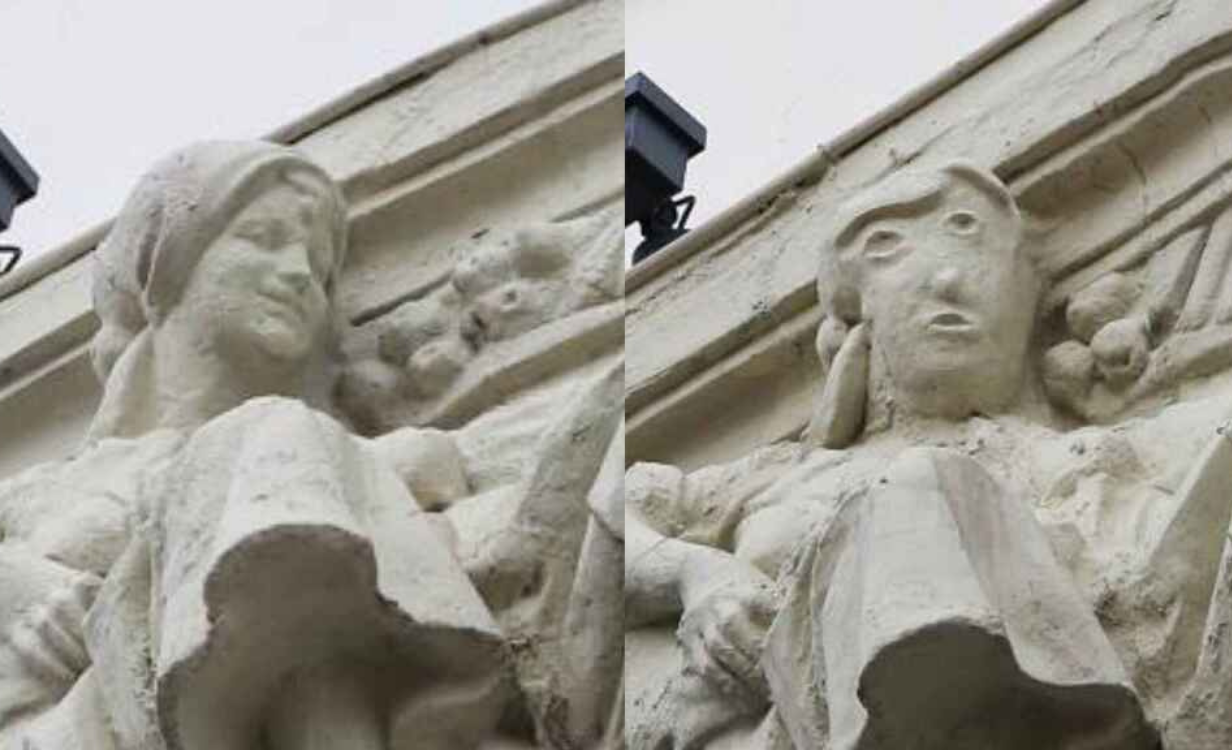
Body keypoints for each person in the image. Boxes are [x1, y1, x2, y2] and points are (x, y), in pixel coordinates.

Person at [625, 163, 1166, 749]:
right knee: (912, 487)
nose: (951, 279)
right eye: (890, 250)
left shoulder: (1079, 461)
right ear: (855, 326)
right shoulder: (783, 475)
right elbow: (596, 525)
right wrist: (695, 573)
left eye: (976, 247)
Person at [0, 141, 509, 749]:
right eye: (263, 238)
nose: (297, 274)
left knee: (292, 533)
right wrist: (38, 611)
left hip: (237, 700)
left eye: (318, 267)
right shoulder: (39, 491)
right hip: (79, 726)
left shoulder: (304, 446)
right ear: (164, 268)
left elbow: (432, 471)